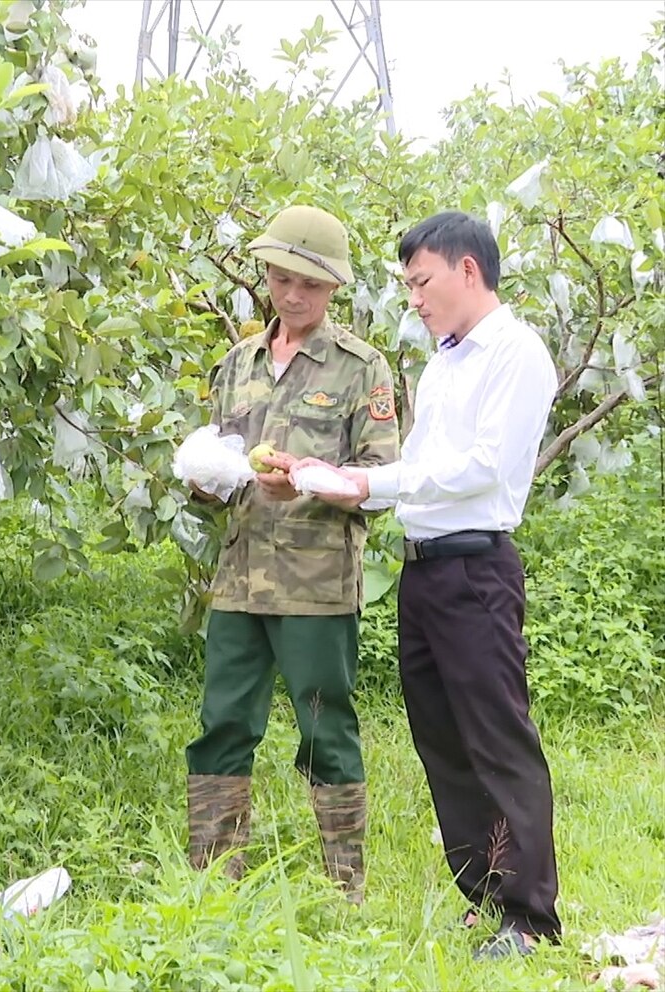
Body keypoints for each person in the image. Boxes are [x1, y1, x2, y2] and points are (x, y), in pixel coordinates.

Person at [286, 211, 561, 959]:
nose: (413, 298)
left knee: (498, 737)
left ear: (467, 270)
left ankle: (531, 917)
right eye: (407, 285)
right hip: (425, 570)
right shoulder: (443, 362)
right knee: (441, 735)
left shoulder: (516, 354)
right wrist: (355, 483)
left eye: (421, 281)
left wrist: (371, 481)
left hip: (477, 570)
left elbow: (482, 469)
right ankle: (487, 895)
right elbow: (419, 470)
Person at [182, 205, 400, 905]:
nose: (292, 294)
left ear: (332, 287)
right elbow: (222, 466)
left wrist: (309, 476)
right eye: (280, 278)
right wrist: (206, 480)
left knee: (324, 726)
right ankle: (214, 878)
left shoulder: (362, 369)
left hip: (314, 584)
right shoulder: (236, 363)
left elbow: (380, 480)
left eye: (308, 282)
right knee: (222, 724)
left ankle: (345, 886)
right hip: (241, 582)